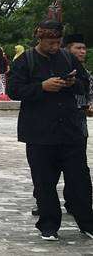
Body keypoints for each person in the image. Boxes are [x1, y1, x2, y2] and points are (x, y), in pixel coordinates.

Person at [7, 20, 93, 241]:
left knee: (80, 180)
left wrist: (73, 83)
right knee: (44, 182)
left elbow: (85, 83)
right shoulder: (25, 60)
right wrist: (41, 87)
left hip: (71, 131)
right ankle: (48, 225)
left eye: (58, 42)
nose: (55, 47)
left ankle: (87, 222)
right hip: (39, 133)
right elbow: (14, 90)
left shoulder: (67, 57)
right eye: (50, 43)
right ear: (40, 39)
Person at [62, 33, 91, 217]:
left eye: (83, 48)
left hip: (78, 125)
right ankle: (44, 202)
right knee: (51, 167)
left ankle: (77, 203)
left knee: (79, 167)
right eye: (77, 48)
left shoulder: (83, 71)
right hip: (56, 124)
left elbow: (87, 95)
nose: (82, 51)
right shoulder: (58, 68)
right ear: (67, 49)